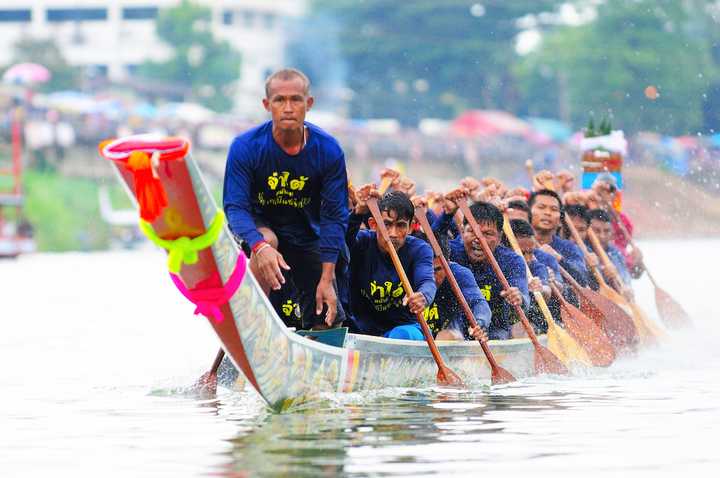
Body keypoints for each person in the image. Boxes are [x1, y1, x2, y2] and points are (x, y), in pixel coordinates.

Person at [223, 68, 349, 330]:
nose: (288, 108)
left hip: (306, 234)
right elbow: (235, 207)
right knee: (269, 240)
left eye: (296, 100)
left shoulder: (328, 150)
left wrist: (327, 277)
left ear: (309, 104)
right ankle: (251, 325)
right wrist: (259, 246)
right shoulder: (246, 147)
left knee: (326, 314)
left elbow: (334, 217)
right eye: (280, 100)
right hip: (257, 230)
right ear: (267, 105)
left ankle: (315, 342)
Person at [434, 191, 528, 340]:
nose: (479, 240)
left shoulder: (512, 261)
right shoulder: (450, 251)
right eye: (471, 231)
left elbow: (524, 297)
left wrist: (519, 297)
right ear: (462, 231)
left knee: (516, 329)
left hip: (494, 330)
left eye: (487, 234)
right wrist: (447, 215)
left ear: (499, 238)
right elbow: (433, 239)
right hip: (454, 326)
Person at [346, 187, 436, 340]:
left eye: (400, 225)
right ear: (373, 224)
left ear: (410, 227)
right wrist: (357, 212)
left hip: (404, 328)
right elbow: (342, 241)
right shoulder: (361, 242)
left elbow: (427, 282)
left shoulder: (420, 249)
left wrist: (423, 296)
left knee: (401, 335)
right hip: (359, 330)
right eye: (387, 224)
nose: (393, 233)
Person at [415, 232, 491, 341]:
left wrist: (480, 323)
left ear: (448, 263)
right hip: (412, 333)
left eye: (437, 270)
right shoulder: (404, 270)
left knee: (450, 336)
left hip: (445, 335)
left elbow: (479, 303)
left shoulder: (459, 274)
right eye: (425, 270)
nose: (431, 278)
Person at [528, 189, 589, 287]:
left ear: (560, 221)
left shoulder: (569, 248)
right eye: (541, 207)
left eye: (554, 209)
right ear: (528, 213)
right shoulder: (517, 243)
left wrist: (559, 258)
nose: (547, 213)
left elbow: (582, 278)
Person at [592, 174, 644, 278]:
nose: (605, 194)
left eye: (610, 190)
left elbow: (635, 273)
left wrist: (637, 262)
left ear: (615, 194)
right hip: (593, 259)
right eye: (601, 191)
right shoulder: (585, 214)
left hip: (617, 266)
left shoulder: (624, 222)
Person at [588, 208, 633, 295]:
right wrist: (603, 273)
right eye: (597, 231)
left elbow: (626, 279)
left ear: (612, 232)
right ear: (589, 232)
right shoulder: (584, 252)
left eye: (606, 231)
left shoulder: (615, 252)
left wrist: (627, 288)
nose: (602, 236)